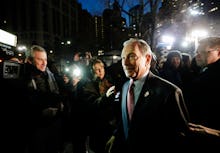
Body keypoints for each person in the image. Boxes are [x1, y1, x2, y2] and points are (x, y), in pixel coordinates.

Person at [107, 38, 189, 153]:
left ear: (147, 59)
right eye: (123, 58)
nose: (125, 63)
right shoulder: (125, 87)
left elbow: (180, 136)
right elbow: (127, 120)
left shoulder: (169, 92)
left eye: (131, 56)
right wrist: (116, 136)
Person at [24, 45, 64, 153]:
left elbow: (56, 92)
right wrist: (40, 113)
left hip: (54, 124)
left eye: (45, 59)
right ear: (30, 60)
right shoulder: (25, 76)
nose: (44, 63)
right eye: (39, 59)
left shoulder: (50, 74)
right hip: (36, 127)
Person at [185, 37, 220, 150]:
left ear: (218, 52)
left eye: (202, 52)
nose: (197, 56)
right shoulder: (204, 72)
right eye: (196, 52)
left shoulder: (213, 76)